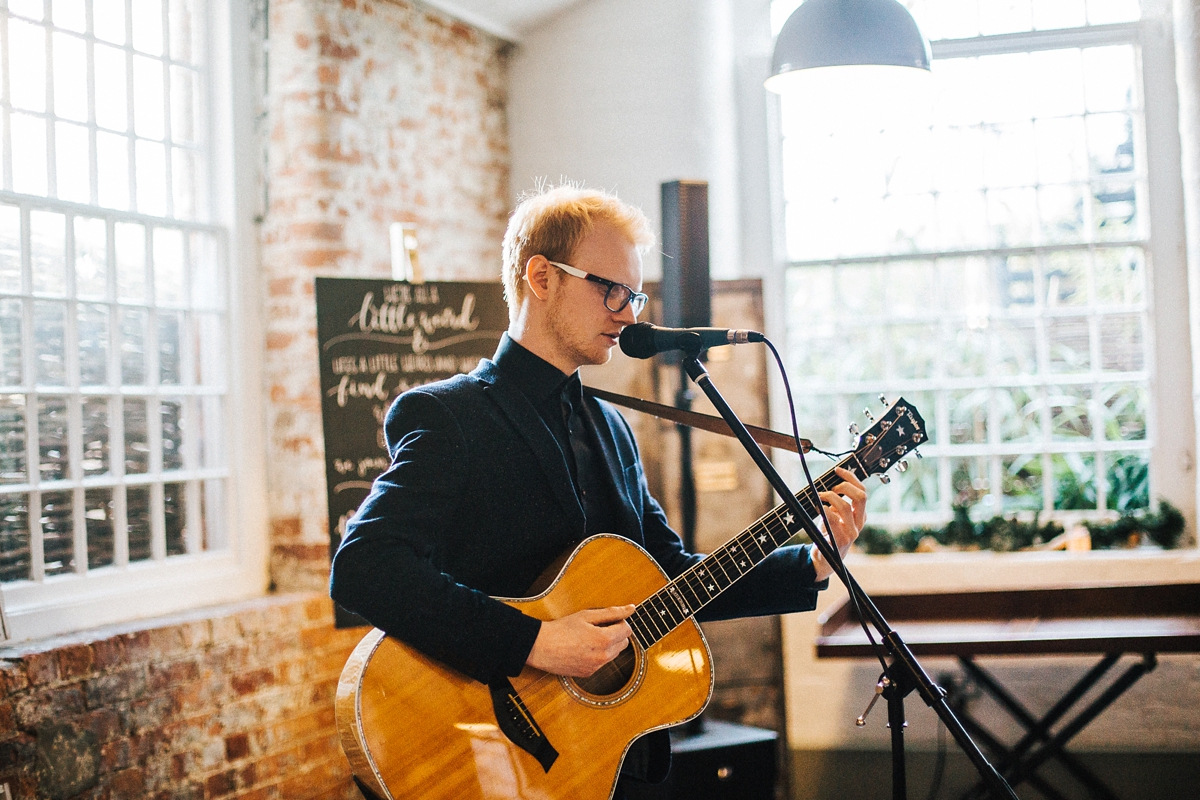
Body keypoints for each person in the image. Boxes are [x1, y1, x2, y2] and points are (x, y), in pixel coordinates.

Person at [329, 184, 867, 798]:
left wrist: (814, 560)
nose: (629, 313)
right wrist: (534, 642)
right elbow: (365, 568)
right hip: (488, 746)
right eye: (610, 289)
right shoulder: (450, 416)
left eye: (633, 295)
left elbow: (672, 580)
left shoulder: (612, 429)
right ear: (540, 277)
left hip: (608, 758)